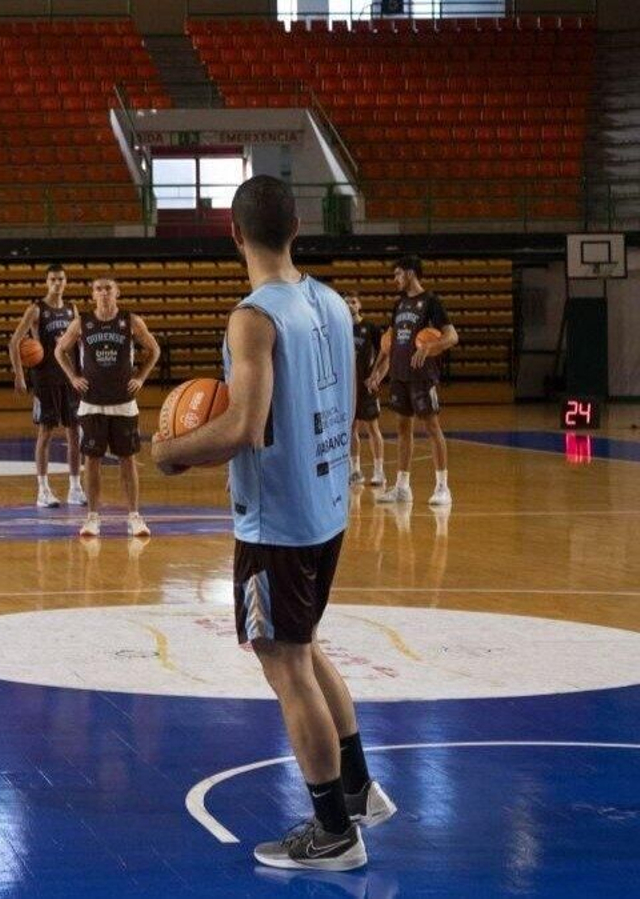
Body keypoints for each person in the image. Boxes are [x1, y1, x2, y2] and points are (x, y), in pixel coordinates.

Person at [152, 175, 396, 871]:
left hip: (277, 522)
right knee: (307, 646)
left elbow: (242, 426)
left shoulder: (253, 317)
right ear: (297, 228)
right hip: (327, 506)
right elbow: (347, 407)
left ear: (234, 234)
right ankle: (359, 790)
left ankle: (333, 832)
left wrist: (169, 452)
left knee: (285, 665)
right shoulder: (332, 303)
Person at [54, 275, 159, 538]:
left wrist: (141, 377)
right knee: (92, 462)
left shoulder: (130, 320)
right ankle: (92, 517)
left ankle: (134, 516)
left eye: (108, 289)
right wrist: (73, 377)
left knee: (128, 461)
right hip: (91, 404)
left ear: (117, 293)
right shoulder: (82, 322)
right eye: (98, 289)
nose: (103, 293)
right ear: (92, 295)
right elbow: (59, 351)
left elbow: (154, 350)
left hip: (124, 403)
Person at [374, 255, 459, 506]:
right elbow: (389, 342)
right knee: (402, 429)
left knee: (432, 428)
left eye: (398, 274)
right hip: (399, 375)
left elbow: (452, 336)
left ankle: (443, 487)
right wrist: (378, 371)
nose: (395, 280)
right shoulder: (399, 305)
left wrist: (430, 347)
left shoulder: (431, 302)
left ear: (410, 273)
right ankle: (402, 487)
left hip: (422, 376)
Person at [9, 264, 84, 508]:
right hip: (45, 378)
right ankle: (42, 490)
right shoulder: (36, 309)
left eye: (61, 279)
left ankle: (75, 488)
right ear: (46, 282)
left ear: (66, 281)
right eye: (53, 279)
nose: (57, 283)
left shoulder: (73, 309)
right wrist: (19, 374)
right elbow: (14, 342)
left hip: (70, 377)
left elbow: (80, 343)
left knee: (75, 433)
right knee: (46, 432)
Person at [345, 290, 387, 488]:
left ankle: (379, 471)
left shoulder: (370, 327)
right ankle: (355, 470)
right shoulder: (341, 328)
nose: (350, 305)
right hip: (347, 388)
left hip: (366, 385)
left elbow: (385, 354)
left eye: (353, 301)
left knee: (372, 428)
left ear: (359, 304)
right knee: (351, 429)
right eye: (346, 302)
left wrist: (378, 376)